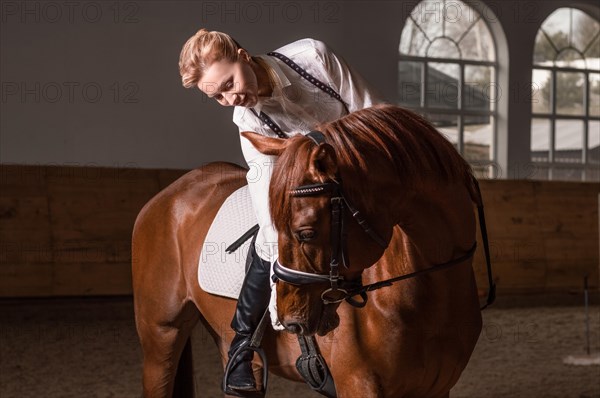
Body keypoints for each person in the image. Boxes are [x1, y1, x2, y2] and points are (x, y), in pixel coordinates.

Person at [179, 28, 382, 395]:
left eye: (229, 83)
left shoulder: (313, 57)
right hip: (304, 189)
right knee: (266, 236)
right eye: (218, 96)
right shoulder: (247, 121)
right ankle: (243, 346)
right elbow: (266, 190)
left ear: (243, 55)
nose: (231, 98)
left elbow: (371, 111)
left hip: (360, 170)